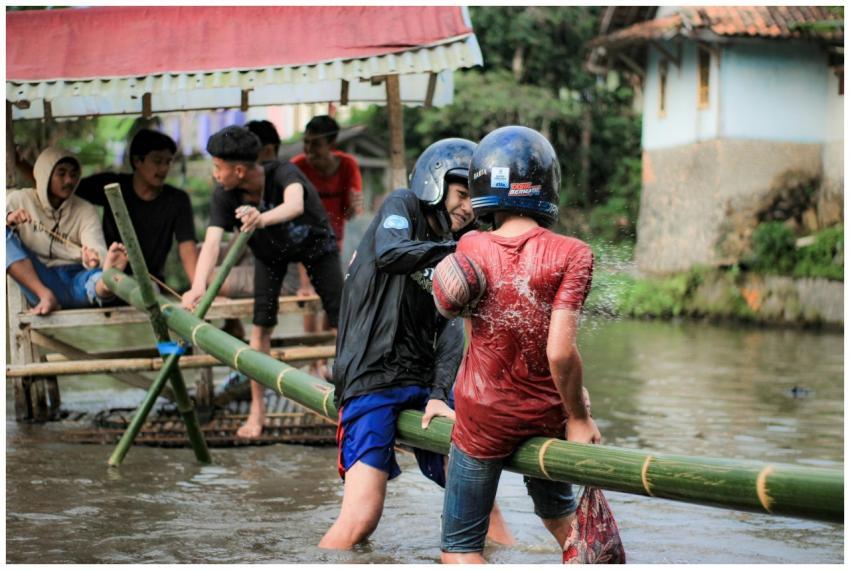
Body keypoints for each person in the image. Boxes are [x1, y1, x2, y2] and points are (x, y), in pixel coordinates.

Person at [320, 138, 511, 550]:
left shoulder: (459, 254)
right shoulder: (403, 206)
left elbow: (451, 328)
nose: (467, 208)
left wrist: (441, 393)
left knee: (480, 500)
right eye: (462, 195)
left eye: (475, 201)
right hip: (371, 378)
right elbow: (390, 253)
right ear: (434, 182)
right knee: (361, 520)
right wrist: (462, 250)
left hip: (424, 387)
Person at [434, 126, 601, 563]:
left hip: (481, 420)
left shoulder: (469, 244)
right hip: (547, 415)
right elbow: (560, 352)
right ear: (548, 187)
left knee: (461, 550)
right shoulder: (574, 254)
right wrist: (578, 418)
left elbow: (468, 330)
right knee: (566, 523)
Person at [182, 126, 343, 439]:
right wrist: (199, 286)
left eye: (218, 168)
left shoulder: (283, 172)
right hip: (270, 255)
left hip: (316, 246)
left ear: (239, 170)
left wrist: (261, 218)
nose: (214, 174)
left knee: (343, 323)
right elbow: (212, 242)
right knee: (260, 328)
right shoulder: (224, 195)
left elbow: (295, 205)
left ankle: (347, 403)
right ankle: (258, 410)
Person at [6, 147, 128, 315]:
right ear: (45, 175)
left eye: (73, 174)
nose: (69, 180)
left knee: (95, 278)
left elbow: (96, 247)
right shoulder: (20, 200)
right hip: (40, 279)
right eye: (61, 173)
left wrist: (93, 258)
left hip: (77, 280)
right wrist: (8, 219)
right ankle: (46, 296)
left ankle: (106, 284)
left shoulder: (85, 209)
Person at [72, 129, 197, 285]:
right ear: (137, 161)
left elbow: (187, 246)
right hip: (108, 279)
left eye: (168, 162)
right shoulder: (111, 186)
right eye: (157, 161)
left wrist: (198, 288)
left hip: (151, 285)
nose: (164, 168)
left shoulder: (177, 200)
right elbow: (61, 192)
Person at [291, 115, 364, 378]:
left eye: (316, 144)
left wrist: (355, 205)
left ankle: (332, 362)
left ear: (332, 143)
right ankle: (313, 362)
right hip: (304, 242)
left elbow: (352, 211)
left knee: (333, 303)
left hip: (337, 242)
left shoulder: (347, 165)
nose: (309, 150)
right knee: (309, 297)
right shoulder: (297, 166)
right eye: (306, 143)